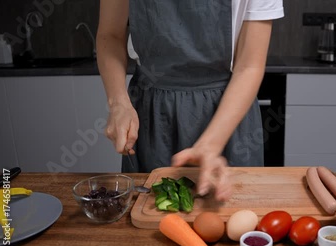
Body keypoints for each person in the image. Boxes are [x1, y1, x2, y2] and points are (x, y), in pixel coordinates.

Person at [96, 1, 284, 201]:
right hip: (153, 114)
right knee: (152, 211)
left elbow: (249, 67)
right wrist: (119, 103)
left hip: (228, 113)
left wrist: (211, 145)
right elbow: (110, 35)